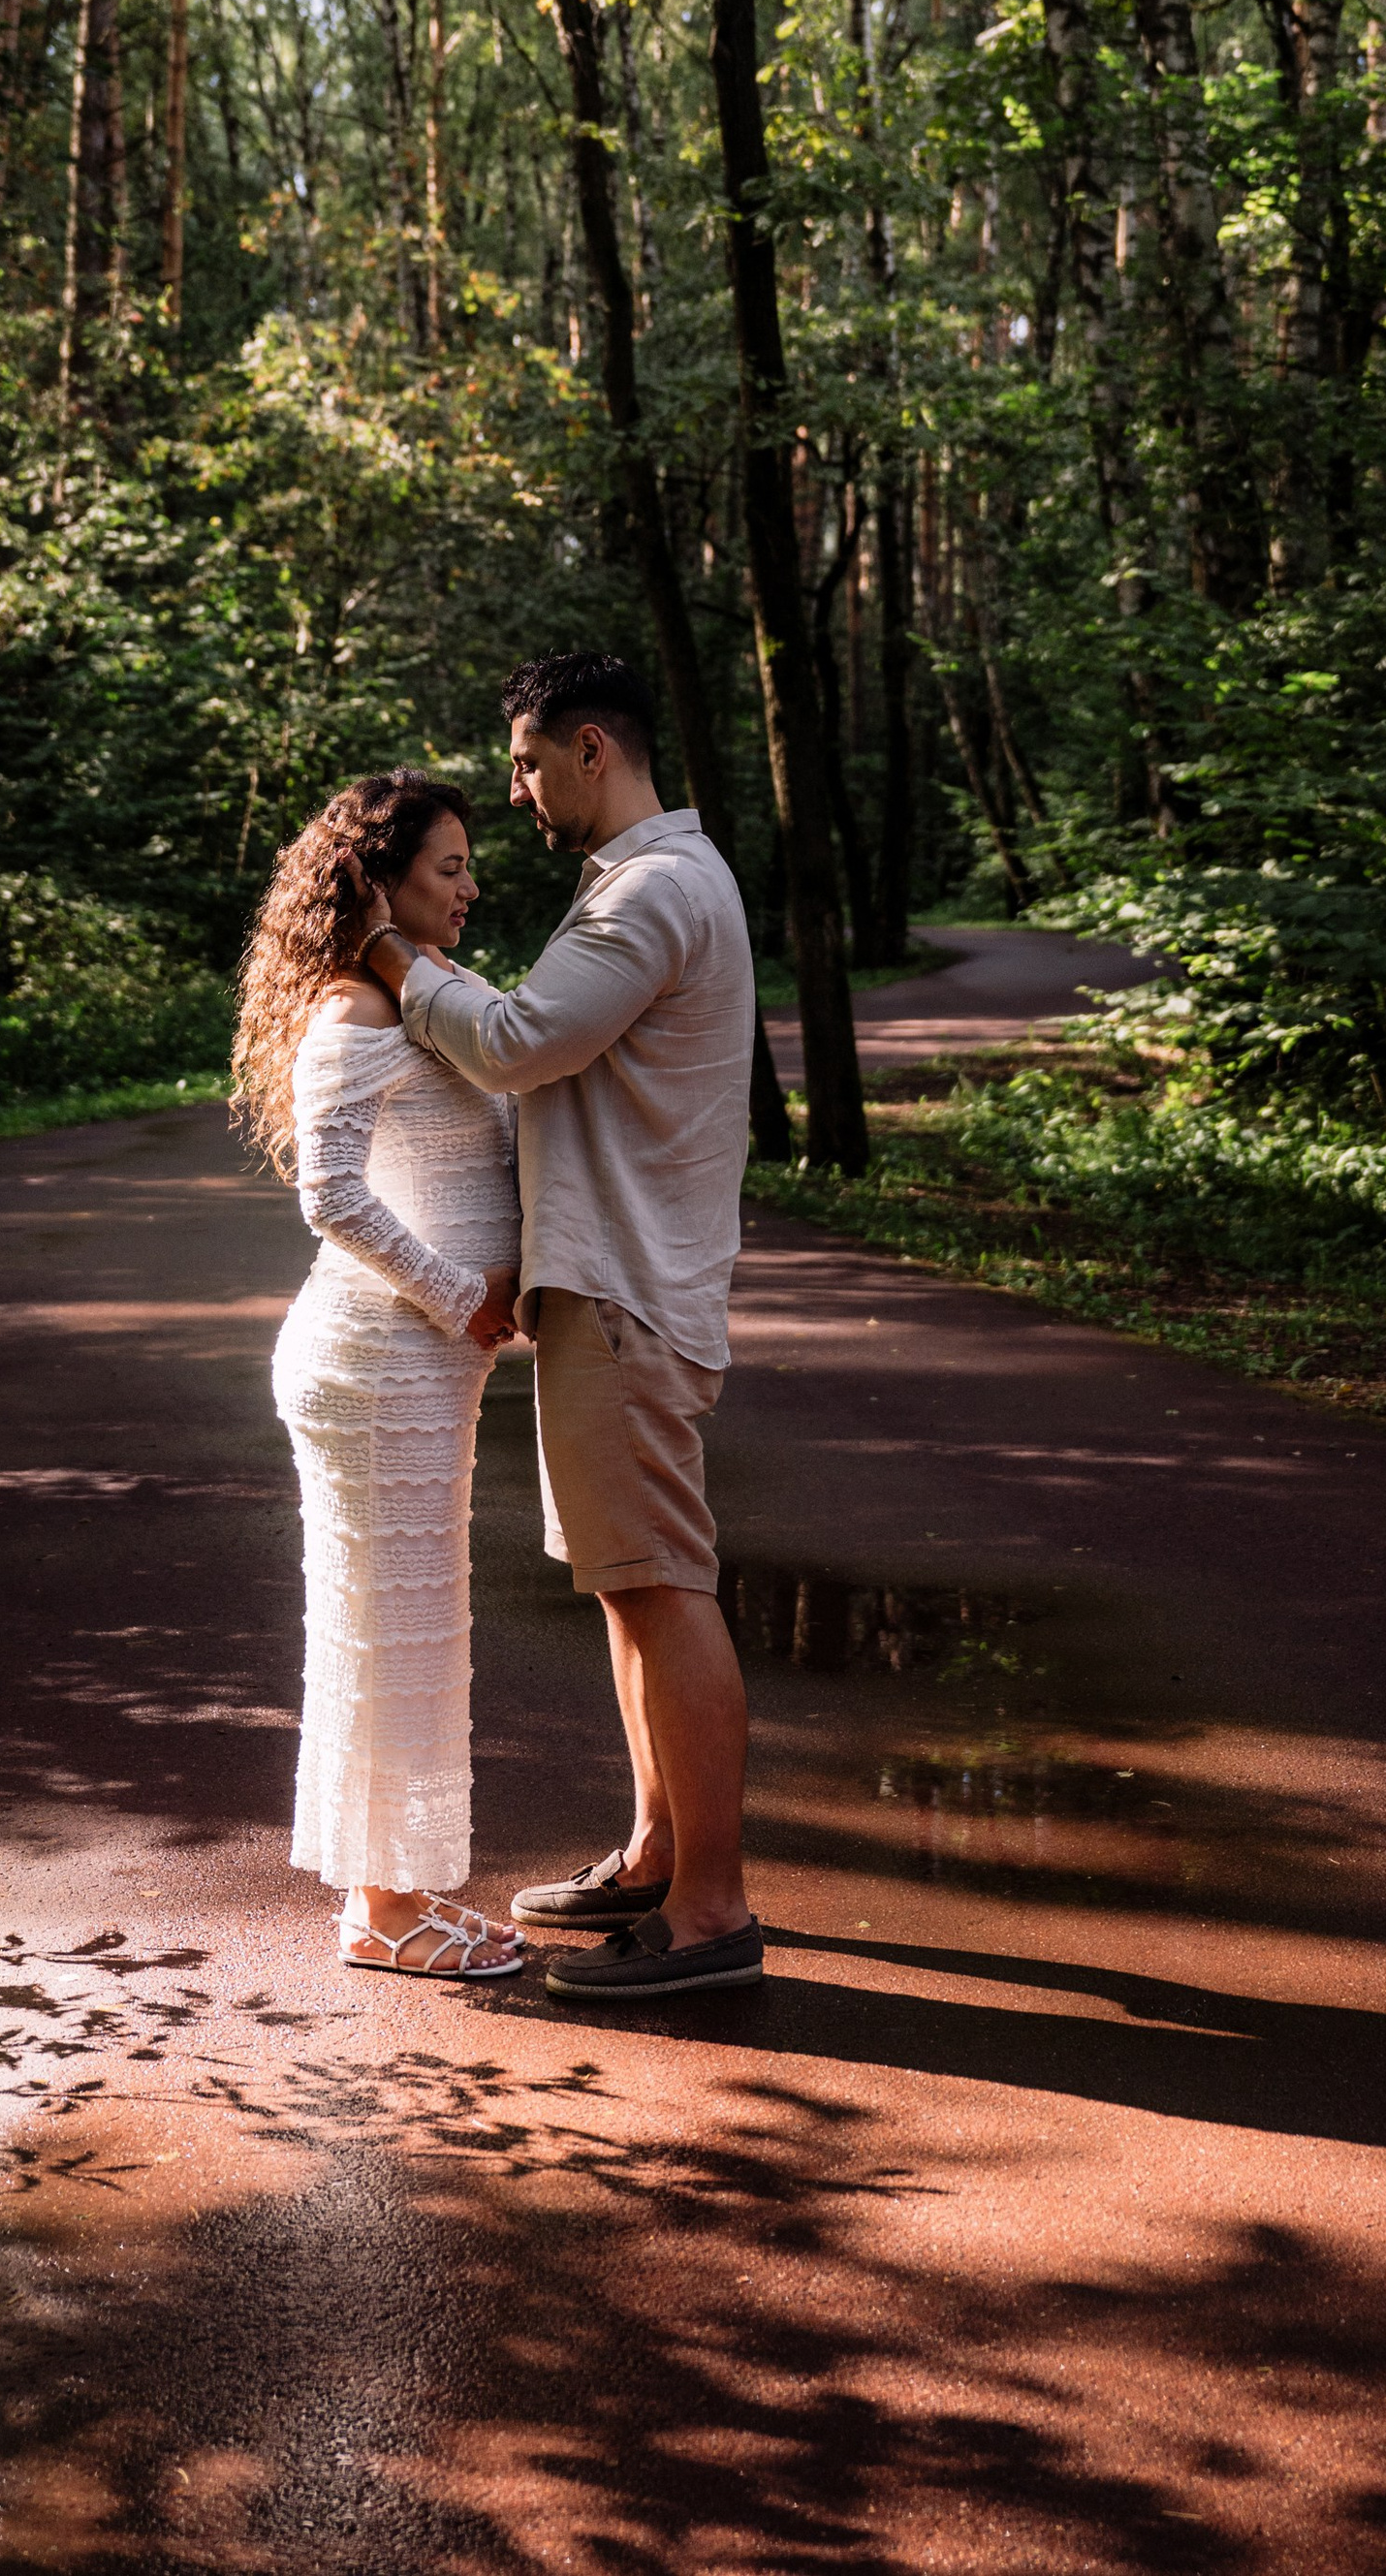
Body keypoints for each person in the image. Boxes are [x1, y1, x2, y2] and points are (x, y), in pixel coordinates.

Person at [354, 650, 765, 2000]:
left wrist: (394, 958)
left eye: (529, 762)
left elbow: (523, 1039)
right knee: (624, 1584)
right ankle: (654, 1850)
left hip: (630, 1294)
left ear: (594, 748)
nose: (520, 790)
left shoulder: (650, 894)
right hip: (615, 1289)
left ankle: (712, 1916)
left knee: (661, 1580)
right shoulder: (639, 888)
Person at [233, 770, 526, 1982]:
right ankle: (386, 1908)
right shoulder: (353, 1012)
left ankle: (386, 1895)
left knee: (402, 1627)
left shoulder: (421, 989)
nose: (471, 884)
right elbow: (330, 1195)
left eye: (468, 864)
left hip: (417, 1363)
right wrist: (463, 1296)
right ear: (379, 879)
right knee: (388, 1629)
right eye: (448, 866)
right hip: (373, 1358)